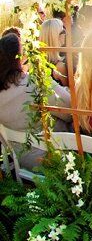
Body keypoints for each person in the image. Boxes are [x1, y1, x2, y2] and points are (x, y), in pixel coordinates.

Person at [0, 34, 71, 168]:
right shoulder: (34, 82)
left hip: (21, 158)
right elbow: (70, 110)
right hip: (52, 156)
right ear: (20, 56)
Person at [39, 18, 68, 84]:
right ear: (55, 37)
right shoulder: (60, 67)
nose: (65, 33)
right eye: (62, 31)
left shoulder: (37, 63)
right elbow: (69, 93)